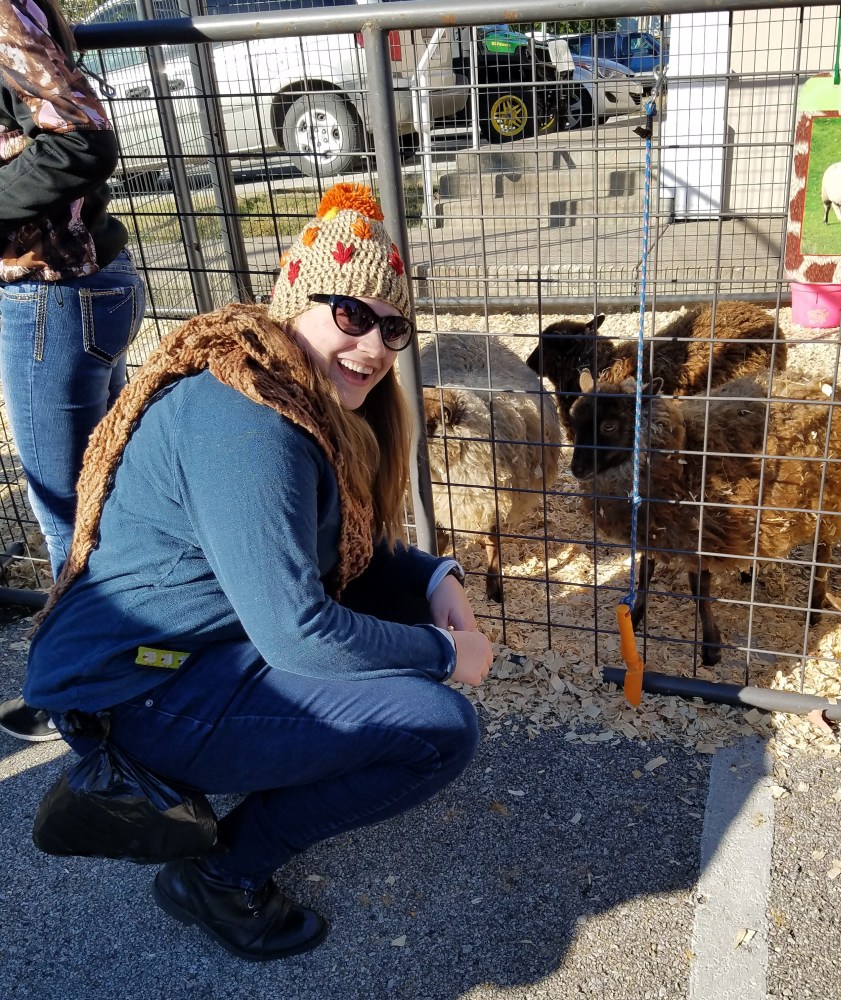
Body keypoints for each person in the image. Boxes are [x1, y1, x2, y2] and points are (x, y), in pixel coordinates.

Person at [24, 182, 493, 962]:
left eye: (393, 327)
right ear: (292, 303)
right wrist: (447, 655)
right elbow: (298, 632)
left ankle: (230, 771)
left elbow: (339, 548)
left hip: (186, 653)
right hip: (133, 691)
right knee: (438, 732)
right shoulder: (249, 422)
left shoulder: (281, 392)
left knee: (395, 626)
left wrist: (437, 577)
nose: (374, 347)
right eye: (350, 313)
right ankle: (219, 876)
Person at [0, 0, 146, 741]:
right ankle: (130, 670)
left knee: (69, 510)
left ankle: (85, 700)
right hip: (76, 291)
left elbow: (83, 142)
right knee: (105, 496)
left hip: (50, 296)